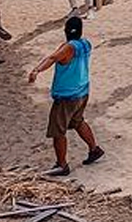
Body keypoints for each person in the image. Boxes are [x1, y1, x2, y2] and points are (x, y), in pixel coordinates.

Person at [28, 16, 104, 176]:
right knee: (78, 122)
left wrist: (36, 70)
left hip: (67, 96)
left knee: (58, 130)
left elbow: (52, 58)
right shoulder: (86, 44)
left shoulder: (68, 48)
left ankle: (62, 164)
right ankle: (94, 149)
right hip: (82, 92)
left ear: (65, 31)